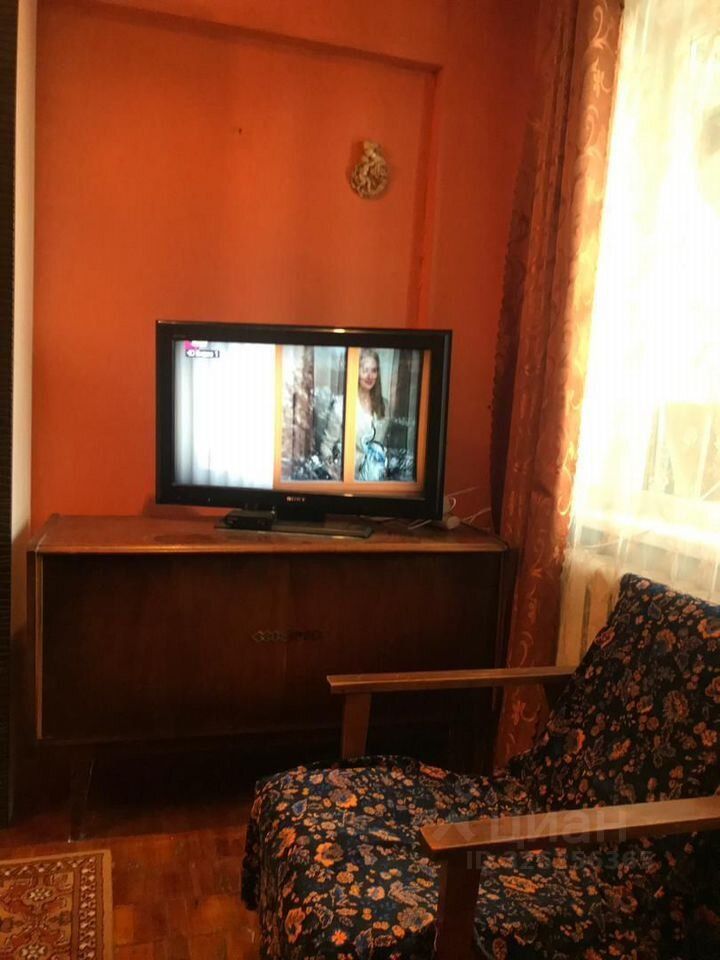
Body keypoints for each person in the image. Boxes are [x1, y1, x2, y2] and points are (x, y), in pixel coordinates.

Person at [355, 349, 388, 481]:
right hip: (351, 480)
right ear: (356, 372)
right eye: (365, 370)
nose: (369, 376)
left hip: (377, 481)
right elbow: (326, 447)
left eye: (373, 370)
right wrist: (335, 473)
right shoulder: (342, 405)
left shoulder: (385, 405)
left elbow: (383, 443)